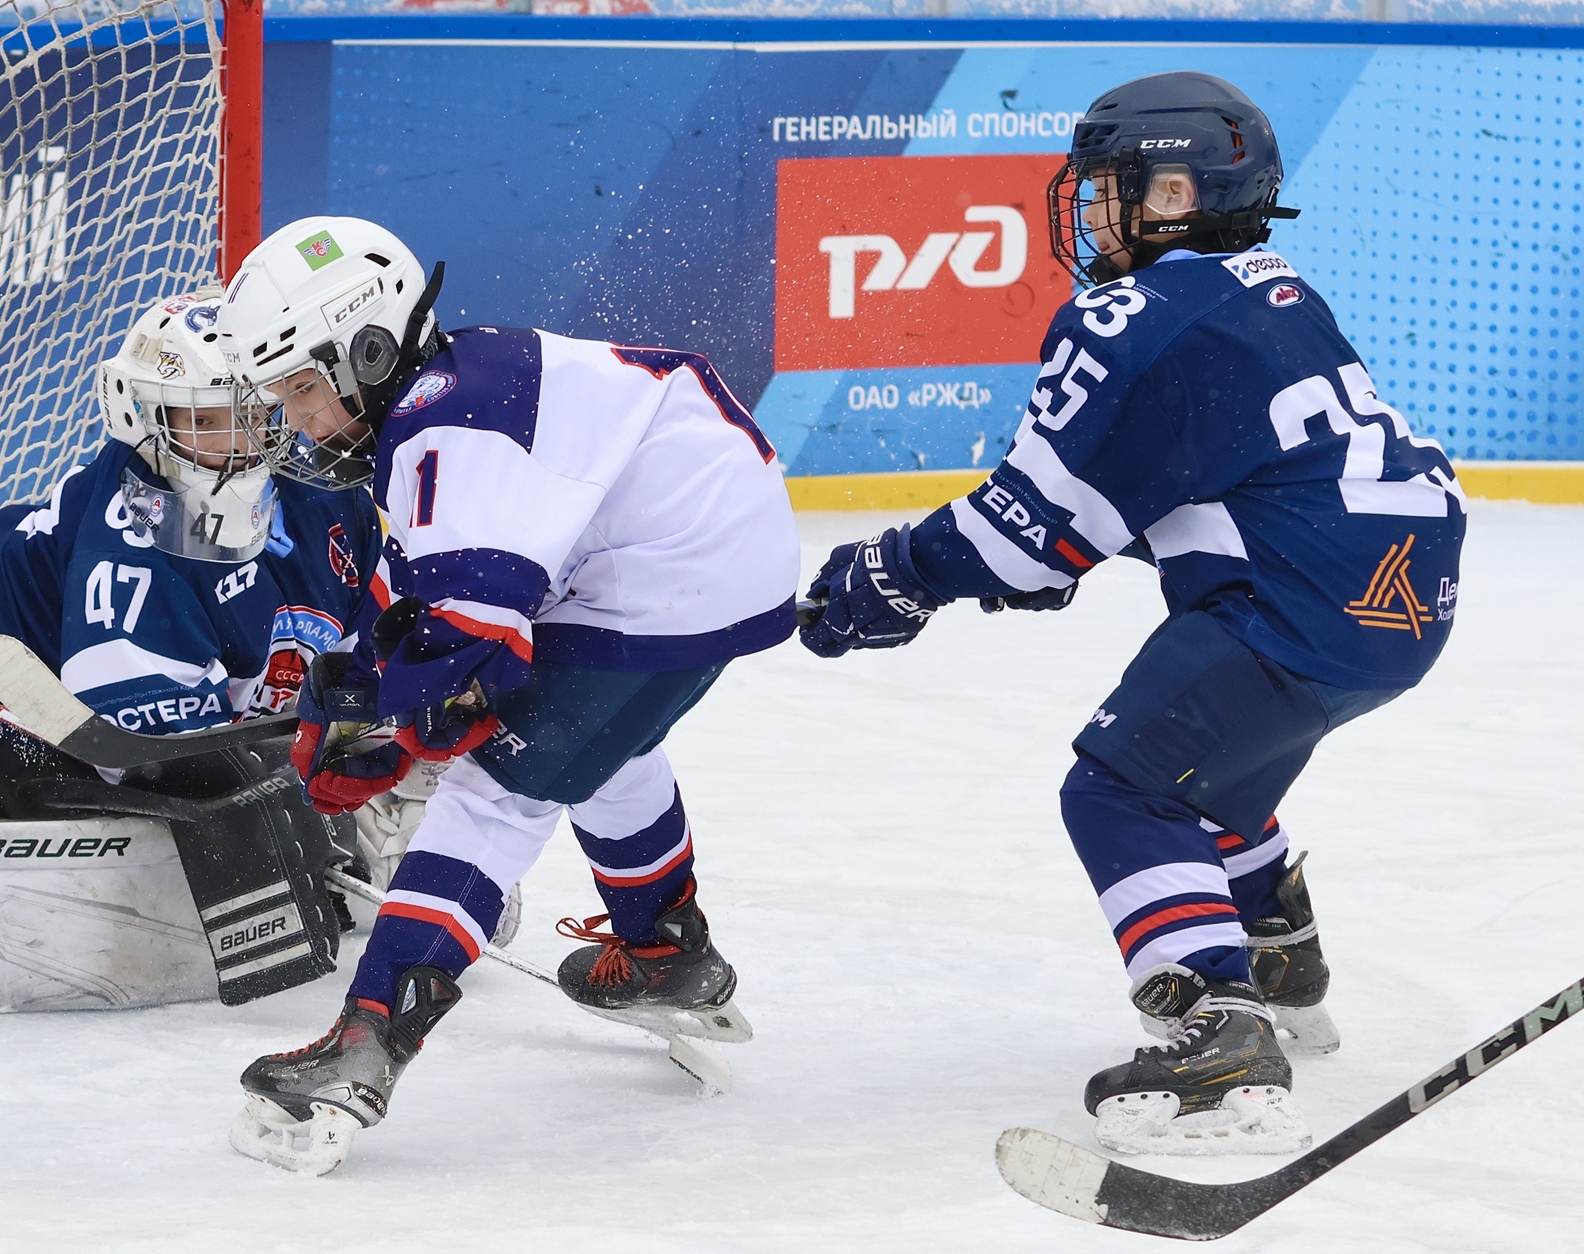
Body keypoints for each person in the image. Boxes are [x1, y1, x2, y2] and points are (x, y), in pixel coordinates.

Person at [800, 72, 1466, 1155]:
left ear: (1176, 193)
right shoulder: (1259, 283)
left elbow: (1024, 530)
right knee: (1209, 768)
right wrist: (1034, 555)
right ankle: (1274, 935)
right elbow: (1152, 494)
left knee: (1119, 788)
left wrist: (896, 570)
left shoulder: (1130, 310)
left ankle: (1217, 1017)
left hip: (1298, 600)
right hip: (1403, 600)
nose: (1093, 211)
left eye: (1114, 188)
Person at [213, 216, 800, 1174]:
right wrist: (360, 692)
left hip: (670, 569)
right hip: (712, 549)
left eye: (306, 389)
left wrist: (382, 731)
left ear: (366, 348)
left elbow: (475, 647)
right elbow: (415, 590)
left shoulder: (448, 422)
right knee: (599, 741)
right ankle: (667, 947)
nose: (301, 421)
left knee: (500, 789)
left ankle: (367, 1039)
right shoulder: (449, 386)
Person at [0, 288, 388, 1018]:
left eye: (256, 409)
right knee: (206, 854)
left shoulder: (322, 494)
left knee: (297, 820)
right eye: (208, 419)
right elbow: (162, 753)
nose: (244, 438)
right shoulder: (135, 544)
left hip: (182, 699)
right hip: (11, 704)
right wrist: (291, 817)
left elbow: (374, 647)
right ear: (143, 417)